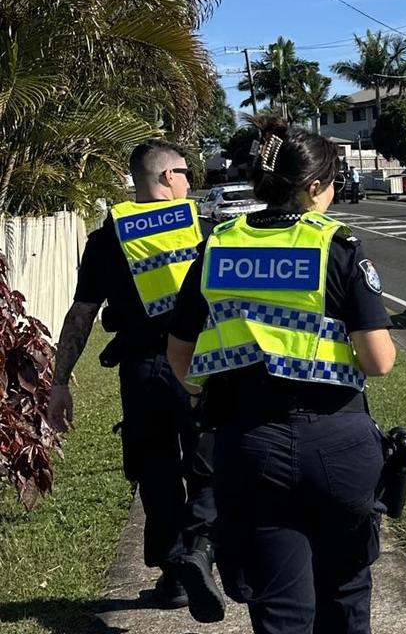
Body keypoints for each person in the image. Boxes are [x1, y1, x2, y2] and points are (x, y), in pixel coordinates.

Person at [166, 118, 396, 633]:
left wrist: (207, 388)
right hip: (337, 442)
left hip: (250, 444)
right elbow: (379, 362)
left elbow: (179, 355)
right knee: (345, 595)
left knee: (279, 609)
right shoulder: (337, 245)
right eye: (333, 181)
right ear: (314, 186)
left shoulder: (218, 244)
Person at [47, 140, 224, 620]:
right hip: (197, 364)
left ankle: (172, 577)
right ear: (167, 178)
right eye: (186, 172)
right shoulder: (203, 230)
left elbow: (83, 313)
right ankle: (199, 551)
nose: (191, 181)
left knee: (155, 469)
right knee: (209, 461)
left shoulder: (107, 238)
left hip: (142, 368)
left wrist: (60, 380)